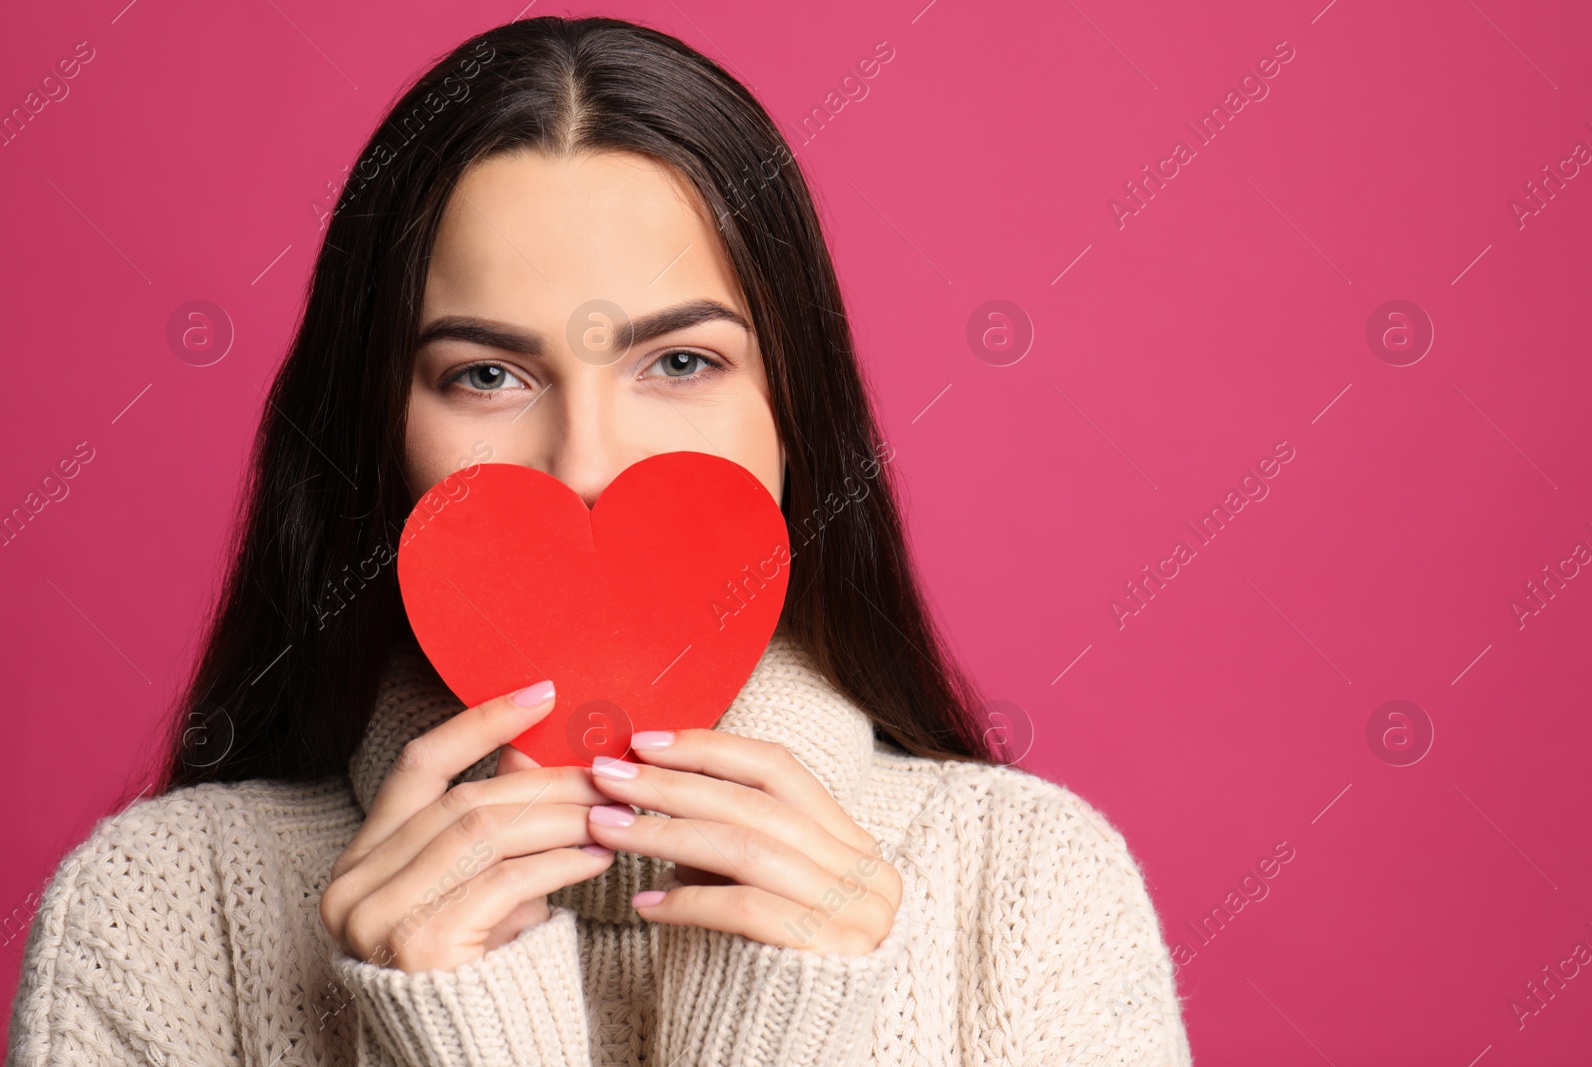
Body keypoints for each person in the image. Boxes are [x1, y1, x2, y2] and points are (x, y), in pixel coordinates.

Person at [4, 16, 1193, 1066]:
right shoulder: (161, 908)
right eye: (486, 373)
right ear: (378, 432)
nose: (584, 465)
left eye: (679, 362)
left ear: (797, 416)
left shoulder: (1028, 890)